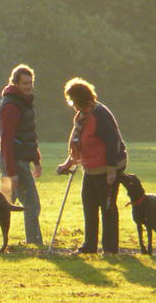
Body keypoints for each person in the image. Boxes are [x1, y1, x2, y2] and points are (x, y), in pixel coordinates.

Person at [57, 78, 127, 254]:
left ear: (80, 98)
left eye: (72, 100)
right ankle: (90, 246)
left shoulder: (100, 114)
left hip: (107, 168)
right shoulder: (81, 116)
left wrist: (111, 171)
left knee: (108, 208)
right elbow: (77, 143)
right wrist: (68, 163)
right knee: (89, 206)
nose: (71, 104)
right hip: (90, 169)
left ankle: (110, 248)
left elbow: (113, 143)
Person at [0, 64, 43, 245]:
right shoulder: (11, 106)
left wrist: (36, 160)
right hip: (13, 161)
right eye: (24, 83)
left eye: (30, 82)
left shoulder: (23, 103)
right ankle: (35, 243)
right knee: (31, 204)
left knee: (2, 203)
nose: (28, 86)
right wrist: (12, 172)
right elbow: (6, 140)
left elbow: (28, 136)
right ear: (15, 83)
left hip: (18, 160)